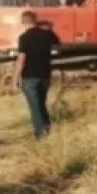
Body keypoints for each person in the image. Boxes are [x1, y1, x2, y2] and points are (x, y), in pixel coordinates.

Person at [13, 11, 60, 139]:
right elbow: (58, 45)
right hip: (45, 75)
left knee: (35, 106)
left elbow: (22, 58)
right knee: (41, 103)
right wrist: (50, 28)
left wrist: (15, 78)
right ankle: (47, 128)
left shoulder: (23, 38)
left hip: (29, 76)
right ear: (36, 20)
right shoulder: (48, 34)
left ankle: (41, 134)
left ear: (23, 22)